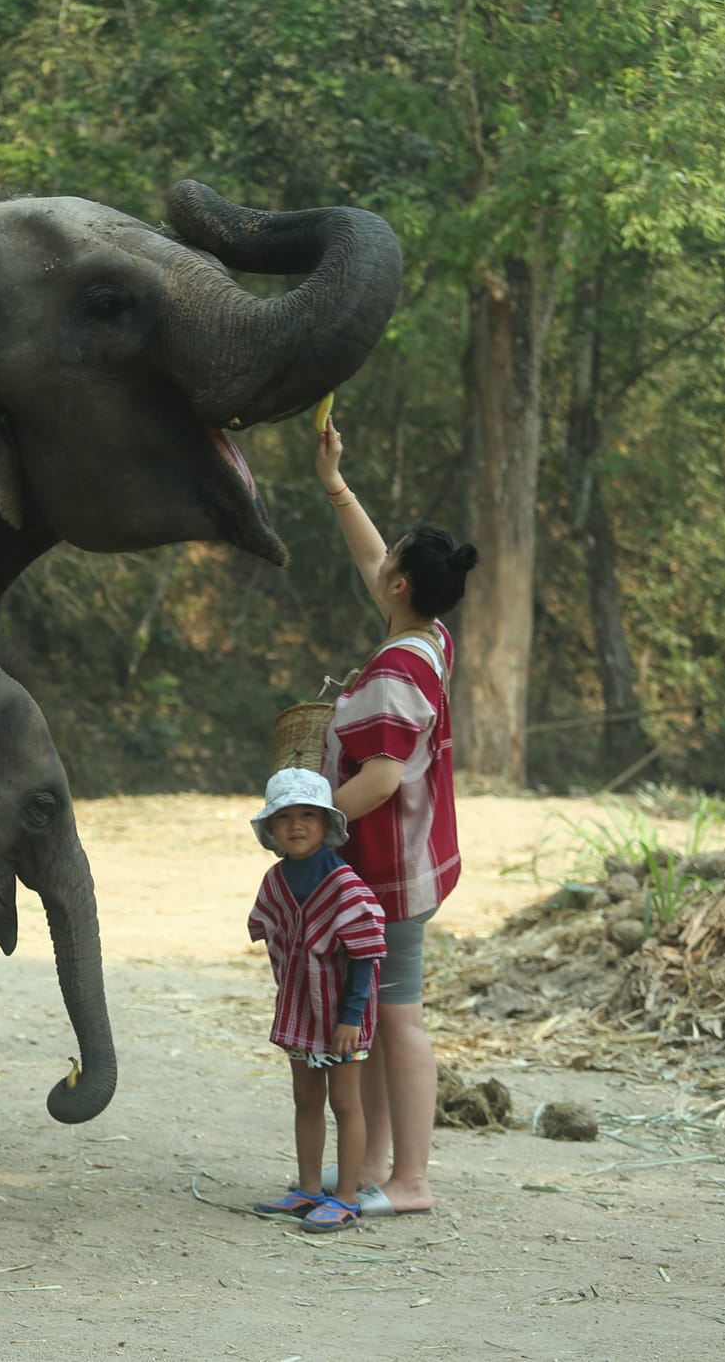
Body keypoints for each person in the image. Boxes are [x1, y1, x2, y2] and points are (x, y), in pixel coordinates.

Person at [313, 414, 479, 1218]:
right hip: (407, 864)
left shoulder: (392, 673)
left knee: (400, 1018)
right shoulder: (431, 638)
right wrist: (336, 484)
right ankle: (375, 1162)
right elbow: (374, 560)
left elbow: (377, 780)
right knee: (373, 1012)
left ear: (402, 588)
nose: (381, 566)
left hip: (390, 870)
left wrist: (307, 818)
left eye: (393, 565)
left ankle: (411, 1179)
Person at [246, 767, 388, 1233]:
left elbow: (366, 954)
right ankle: (308, 1188)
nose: (297, 825)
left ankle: (345, 1197)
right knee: (305, 1099)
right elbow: (267, 931)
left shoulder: (345, 884)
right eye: (284, 817)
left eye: (309, 814)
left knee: (345, 1102)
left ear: (328, 824)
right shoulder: (275, 881)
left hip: (342, 1012)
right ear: (271, 829)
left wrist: (351, 1018)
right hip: (299, 1009)